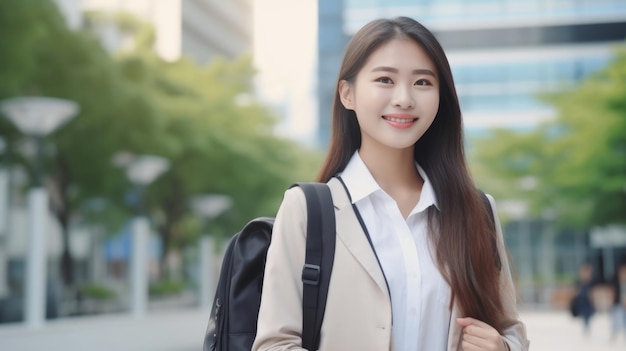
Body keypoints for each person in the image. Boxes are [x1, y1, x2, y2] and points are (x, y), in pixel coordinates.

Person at [252, 17, 529, 351]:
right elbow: (274, 343)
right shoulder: (308, 210)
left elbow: (511, 328)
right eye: (385, 79)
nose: (404, 99)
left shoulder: (476, 210)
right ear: (347, 93)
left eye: (423, 83)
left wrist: (503, 347)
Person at [610, 262, 626, 341]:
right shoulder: (616, 283)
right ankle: (614, 333)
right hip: (618, 305)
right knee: (616, 319)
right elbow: (613, 294)